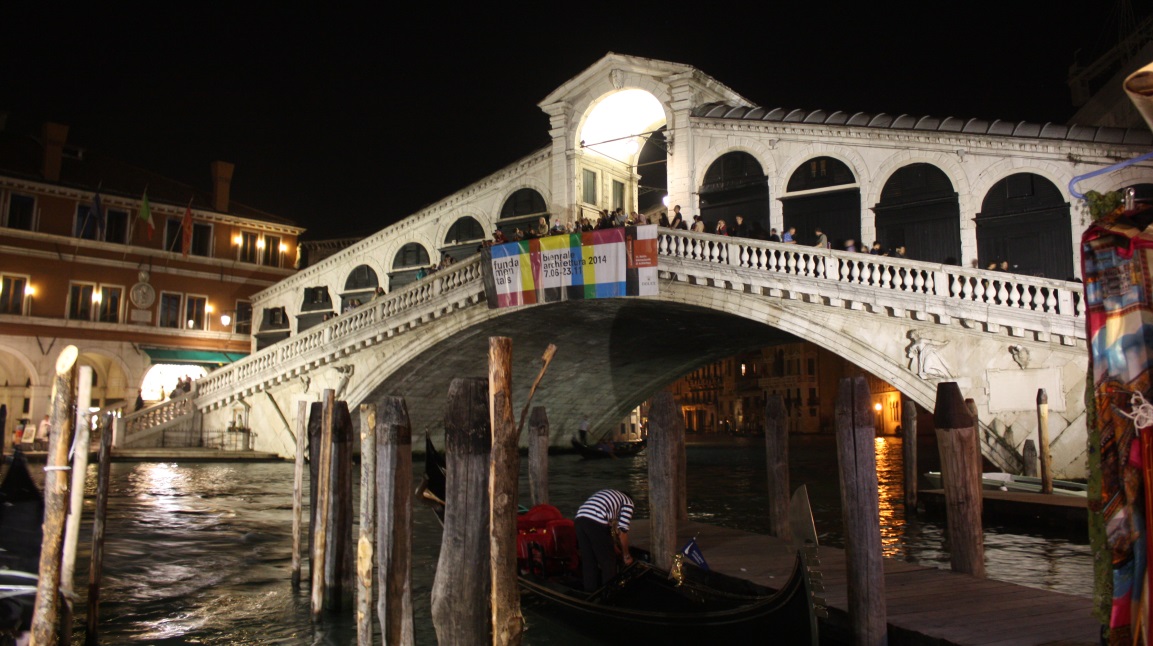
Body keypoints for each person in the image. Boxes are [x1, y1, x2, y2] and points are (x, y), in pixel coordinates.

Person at [575, 489, 635, 591]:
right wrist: (626, 555)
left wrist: (614, 547)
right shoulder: (629, 502)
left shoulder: (610, 498)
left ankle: (590, 592)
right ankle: (609, 594)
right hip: (595, 520)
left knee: (589, 560)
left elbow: (605, 534)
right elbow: (622, 532)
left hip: (579, 519)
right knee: (608, 562)